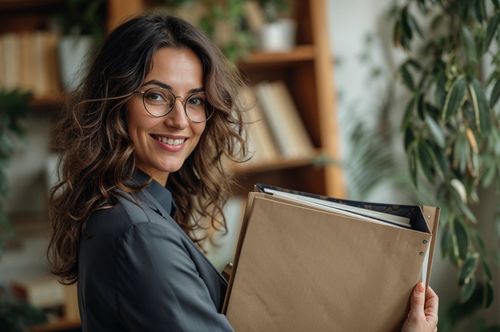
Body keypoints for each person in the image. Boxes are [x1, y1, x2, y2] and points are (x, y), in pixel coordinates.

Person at [47, 14, 438, 332]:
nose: (180, 120)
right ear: (115, 103)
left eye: (196, 100)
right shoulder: (139, 232)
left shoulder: (131, 211)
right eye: (155, 96)